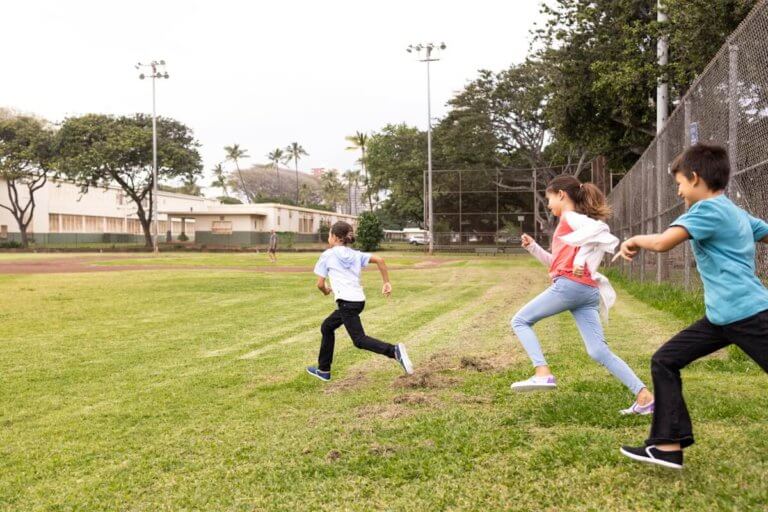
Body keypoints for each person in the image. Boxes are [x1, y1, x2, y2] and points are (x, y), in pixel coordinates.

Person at [618, 144, 768, 469]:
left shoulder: (706, 210)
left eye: (680, 183)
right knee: (665, 360)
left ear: (696, 178)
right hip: (722, 317)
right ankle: (667, 447)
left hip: (748, 314)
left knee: (664, 361)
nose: (679, 190)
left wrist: (632, 240)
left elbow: (660, 243)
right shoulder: (734, 212)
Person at [510, 175, 655, 416]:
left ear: (561, 195)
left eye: (549, 199)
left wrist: (599, 249)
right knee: (598, 351)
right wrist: (533, 248)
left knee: (520, 321)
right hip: (586, 291)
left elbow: (600, 229)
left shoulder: (570, 218)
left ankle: (542, 373)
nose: (548, 205)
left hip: (571, 287)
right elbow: (556, 264)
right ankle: (645, 397)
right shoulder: (570, 225)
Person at [306, 221, 414, 381]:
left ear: (335, 237)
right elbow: (380, 260)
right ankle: (324, 370)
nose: (328, 237)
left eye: (329, 234)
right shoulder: (355, 254)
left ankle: (394, 351)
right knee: (327, 326)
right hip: (358, 302)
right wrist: (386, 282)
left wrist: (326, 291)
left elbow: (320, 284)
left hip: (346, 303)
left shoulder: (327, 255)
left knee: (359, 340)